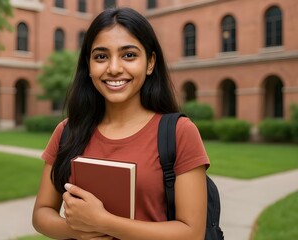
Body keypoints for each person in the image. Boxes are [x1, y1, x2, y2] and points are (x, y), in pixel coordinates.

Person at [32, 7, 209, 240]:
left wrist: (103, 222)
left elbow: (192, 233)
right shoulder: (68, 131)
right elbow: (41, 214)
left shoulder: (178, 132)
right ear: (89, 66)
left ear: (150, 63)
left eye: (129, 55)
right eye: (101, 56)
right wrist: (76, 228)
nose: (114, 69)